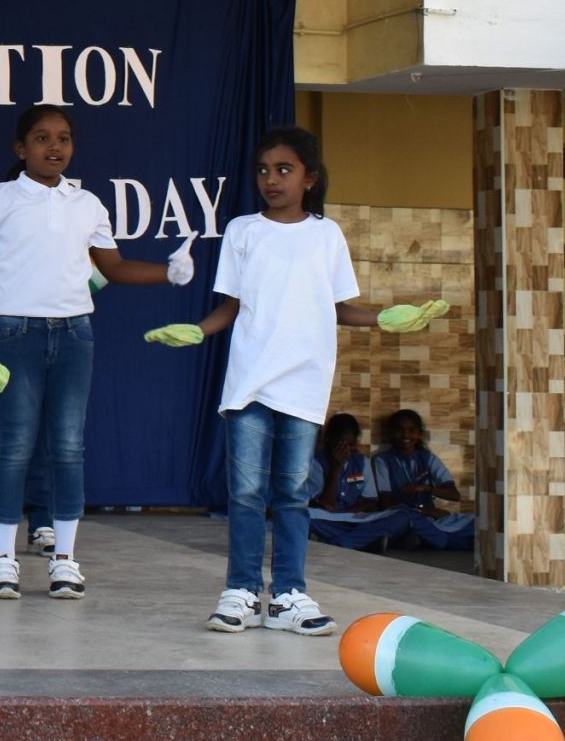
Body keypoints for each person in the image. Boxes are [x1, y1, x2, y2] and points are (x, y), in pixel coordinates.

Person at [145, 125, 447, 636]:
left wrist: (386, 318)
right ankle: (241, 591)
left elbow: (339, 307)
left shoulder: (327, 235)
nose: (271, 179)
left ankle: (287, 595)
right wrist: (198, 330)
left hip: (304, 385)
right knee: (245, 493)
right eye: (263, 170)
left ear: (310, 178)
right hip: (249, 384)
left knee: (290, 493)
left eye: (284, 169)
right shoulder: (243, 231)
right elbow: (231, 306)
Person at [0, 103, 192, 602]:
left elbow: (113, 267)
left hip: (75, 334)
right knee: (14, 447)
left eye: (64, 138)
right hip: (14, 332)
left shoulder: (88, 204)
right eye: (42, 137)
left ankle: (65, 559)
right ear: (20, 148)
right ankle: (2, 558)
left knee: (68, 448)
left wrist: (169, 272)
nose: (55, 146)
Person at [369, 408, 476, 550]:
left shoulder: (427, 458)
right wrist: (422, 511)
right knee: (408, 522)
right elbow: (386, 503)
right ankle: (455, 542)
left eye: (411, 430)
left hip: (430, 517)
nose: (405, 435)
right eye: (399, 430)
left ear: (419, 434)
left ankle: (428, 540)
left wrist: (424, 488)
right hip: (406, 517)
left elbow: (454, 495)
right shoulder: (382, 460)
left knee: (475, 521)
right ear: (391, 434)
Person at [307, 412, 408, 552]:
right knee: (303, 518)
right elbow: (326, 504)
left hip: (355, 518)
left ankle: (341, 542)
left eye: (351, 445)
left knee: (402, 516)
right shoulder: (317, 463)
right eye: (341, 445)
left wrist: (347, 512)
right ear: (329, 440)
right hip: (327, 519)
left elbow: (371, 502)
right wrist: (336, 469)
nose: (346, 450)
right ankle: (365, 540)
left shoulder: (362, 462)